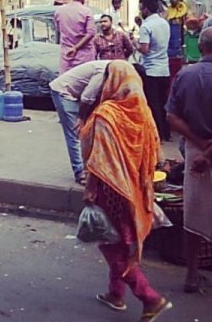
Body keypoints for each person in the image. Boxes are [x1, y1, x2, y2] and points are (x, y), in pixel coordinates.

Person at [80, 61, 171, 320]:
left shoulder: (107, 113)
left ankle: (150, 298)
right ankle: (115, 294)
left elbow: (100, 159)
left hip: (112, 189)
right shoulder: (143, 112)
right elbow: (156, 153)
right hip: (137, 186)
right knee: (122, 239)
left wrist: (90, 188)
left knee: (112, 245)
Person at [166, 26, 212, 295]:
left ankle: (191, 275)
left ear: (200, 47)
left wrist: (200, 148)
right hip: (211, 151)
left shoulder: (185, 74)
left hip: (195, 154)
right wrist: (210, 150)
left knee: (195, 213)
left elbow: (172, 117)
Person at [49, 60, 111, 185]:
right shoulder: (103, 72)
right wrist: (81, 117)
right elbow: (87, 97)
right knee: (75, 133)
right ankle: (80, 172)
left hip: (77, 94)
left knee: (89, 131)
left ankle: (91, 167)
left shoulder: (113, 71)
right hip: (64, 93)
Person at [133, 0, 170, 141]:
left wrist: (134, 43)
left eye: (141, 8)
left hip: (150, 70)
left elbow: (145, 49)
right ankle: (166, 133)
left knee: (152, 104)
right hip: (164, 69)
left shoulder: (146, 26)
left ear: (146, 9)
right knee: (163, 103)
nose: (140, 11)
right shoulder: (164, 23)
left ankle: (157, 135)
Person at [53, 0, 96, 74]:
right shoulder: (87, 11)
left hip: (67, 54)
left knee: (66, 82)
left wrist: (72, 48)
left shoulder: (59, 11)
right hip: (84, 55)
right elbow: (91, 33)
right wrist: (76, 48)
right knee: (84, 82)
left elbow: (59, 29)